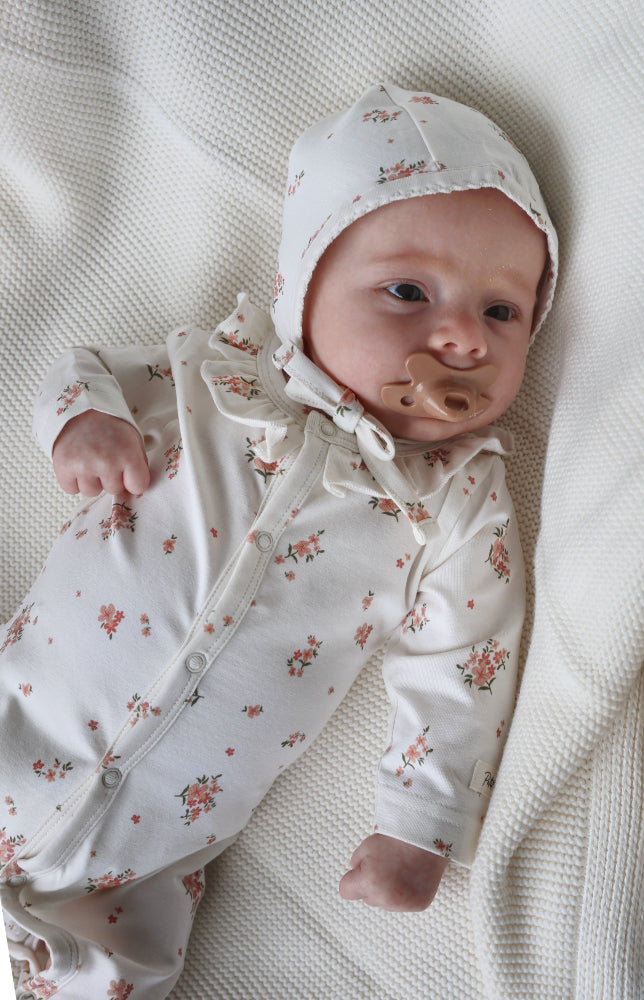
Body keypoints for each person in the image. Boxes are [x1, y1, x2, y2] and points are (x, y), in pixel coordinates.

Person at [1, 83, 557, 999]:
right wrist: (81, 425)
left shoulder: (454, 502)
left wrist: (419, 823)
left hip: (136, 872)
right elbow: (84, 369)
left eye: (503, 312)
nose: (460, 335)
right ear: (301, 290)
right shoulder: (217, 379)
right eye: (409, 291)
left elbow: (468, 659)